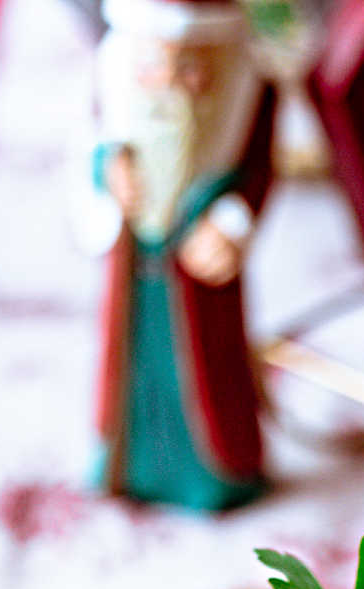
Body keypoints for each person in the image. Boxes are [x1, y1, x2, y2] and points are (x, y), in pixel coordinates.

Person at [86, 0, 273, 509]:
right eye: (153, 66)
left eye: (190, 68)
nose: (168, 82)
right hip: (135, 270)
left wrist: (229, 223)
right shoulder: (111, 85)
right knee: (129, 375)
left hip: (198, 274)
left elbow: (257, 173)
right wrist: (108, 170)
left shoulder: (250, 95)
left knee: (209, 376)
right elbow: (93, 146)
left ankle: (216, 473)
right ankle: (128, 465)